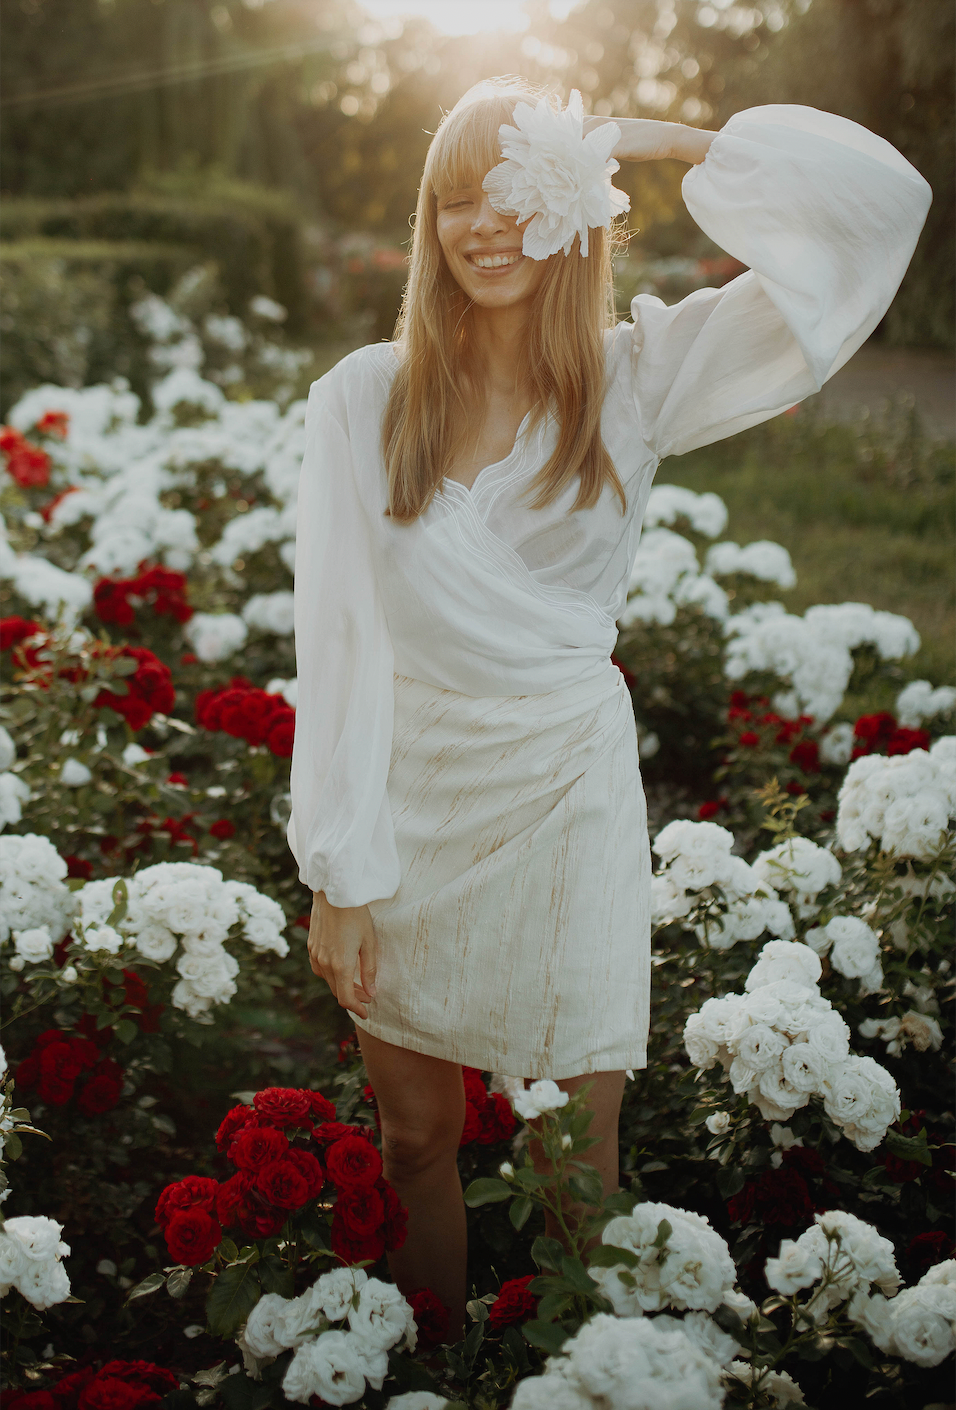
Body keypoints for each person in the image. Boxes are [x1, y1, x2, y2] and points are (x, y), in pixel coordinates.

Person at [288, 77, 930, 1331]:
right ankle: (430, 1371)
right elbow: (343, 646)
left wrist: (638, 143)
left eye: (516, 189)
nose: (484, 224)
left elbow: (871, 213)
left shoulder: (638, 381)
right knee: (415, 1137)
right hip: (408, 797)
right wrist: (338, 871)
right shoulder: (364, 399)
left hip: (566, 791)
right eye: (455, 197)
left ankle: (574, 1376)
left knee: (575, 1165)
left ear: (573, 209)